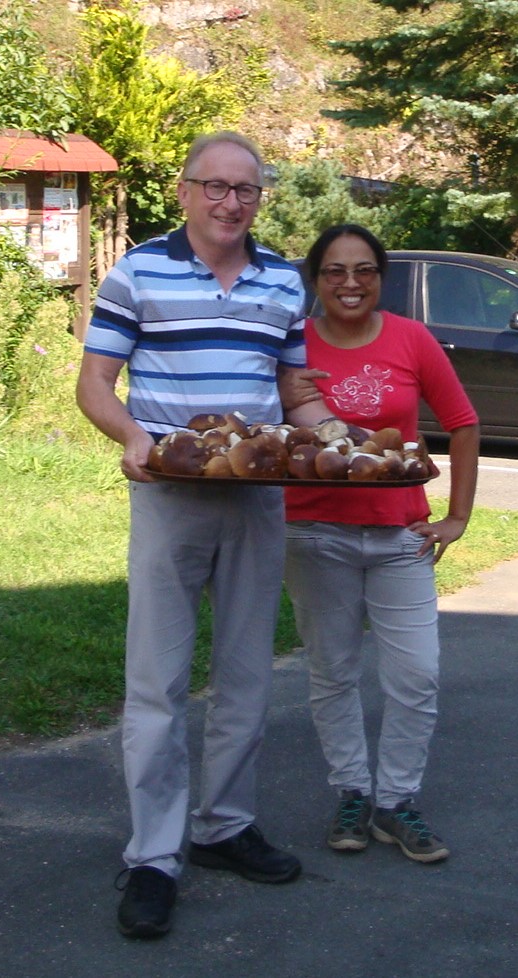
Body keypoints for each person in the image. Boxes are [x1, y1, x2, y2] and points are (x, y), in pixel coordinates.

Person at [76, 131, 331, 939]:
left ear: (260, 199)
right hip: (172, 493)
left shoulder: (284, 281)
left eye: (245, 191)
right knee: (155, 680)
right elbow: (94, 384)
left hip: (258, 498)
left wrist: (344, 440)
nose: (229, 203)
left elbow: (296, 396)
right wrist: (131, 437)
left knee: (247, 671)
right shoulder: (136, 273)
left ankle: (224, 825)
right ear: (185, 192)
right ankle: (153, 854)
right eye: (214, 187)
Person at [284, 224, 479, 864]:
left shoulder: (410, 338)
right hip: (315, 531)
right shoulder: (295, 344)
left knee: (417, 674)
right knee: (332, 671)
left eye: (363, 269)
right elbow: (260, 426)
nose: (349, 283)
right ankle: (352, 792)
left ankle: (396, 803)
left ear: (379, 277)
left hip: (400, 534)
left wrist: (457, 518)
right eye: (335, 271)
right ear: (316, 279)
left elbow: (463, 422)